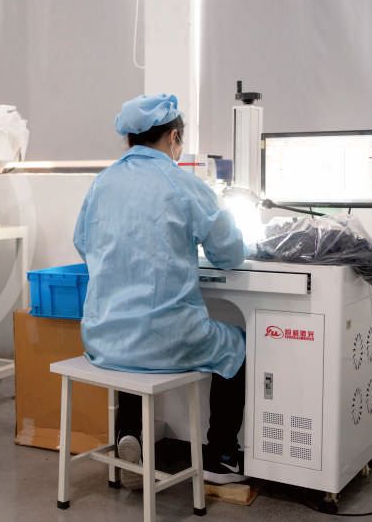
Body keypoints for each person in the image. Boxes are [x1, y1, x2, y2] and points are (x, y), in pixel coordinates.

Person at [73, 93, 248, 488]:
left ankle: (128, 432)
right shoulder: (183, 184)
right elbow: (230, 253)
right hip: (167, 340)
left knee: (132, 331)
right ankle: (221, 456)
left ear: (130, 139)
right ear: (173, 138)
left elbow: (83, 244)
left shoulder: (102, 183)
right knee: (237, 346)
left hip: (103, 338)